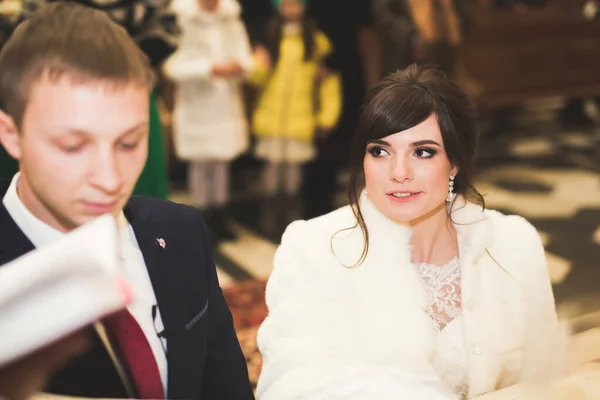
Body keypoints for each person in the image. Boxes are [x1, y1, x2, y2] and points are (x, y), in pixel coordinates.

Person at [256, 65, 565, 399]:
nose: (398, 172)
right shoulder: (314, 249)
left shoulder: (514, 244)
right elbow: (286, 388)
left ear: (455, 162)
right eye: (380, 151)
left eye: (422, 152)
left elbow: (544, 383)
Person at [0, 3, 253, 399]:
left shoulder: (181, 231)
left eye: (129, 142)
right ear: (11, 134)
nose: (111, 179)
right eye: (72, 146)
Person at [21, 0, 180, 200]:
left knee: (138, 190)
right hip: (65, 98)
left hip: (131, 93)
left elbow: (167, 34)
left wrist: (117, 62)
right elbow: (27, 37)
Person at [164, 0, 253, 242]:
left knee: (221, 161)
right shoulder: (180, 17)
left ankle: (220, 214)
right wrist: (209, 68)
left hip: (225, 102)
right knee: (201, 162)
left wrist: (240, 66)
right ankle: (201, 216)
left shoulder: (230, 17)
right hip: (197, 101)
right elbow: (172, 65)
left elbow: (245, 55)